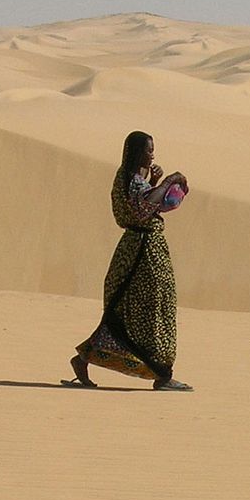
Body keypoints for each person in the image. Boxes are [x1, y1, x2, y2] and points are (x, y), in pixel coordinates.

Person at [66, 131, 193, 391]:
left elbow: (143, 201)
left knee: (131, 312)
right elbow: (142, 208)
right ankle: (163, 375)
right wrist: (168, 181)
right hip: (142, 254)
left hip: (139, 251)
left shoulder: (130, 179)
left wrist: (156, 181)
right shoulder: (131, 181)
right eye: (148, 150)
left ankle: (84, 359)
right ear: (136, 153)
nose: (152, 155)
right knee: (153, 310)